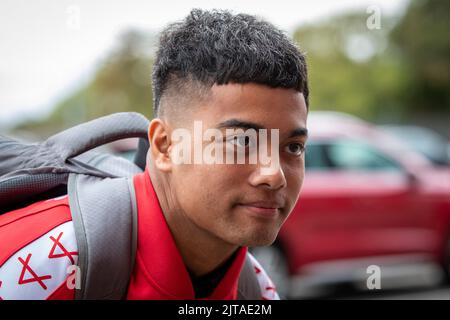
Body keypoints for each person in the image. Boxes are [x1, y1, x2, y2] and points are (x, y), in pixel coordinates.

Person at [0, 8, 309, 300]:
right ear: (164, 145)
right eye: (242, 142)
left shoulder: (257, 289)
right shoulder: (45, 264)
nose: (274, 174)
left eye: (293, 147)